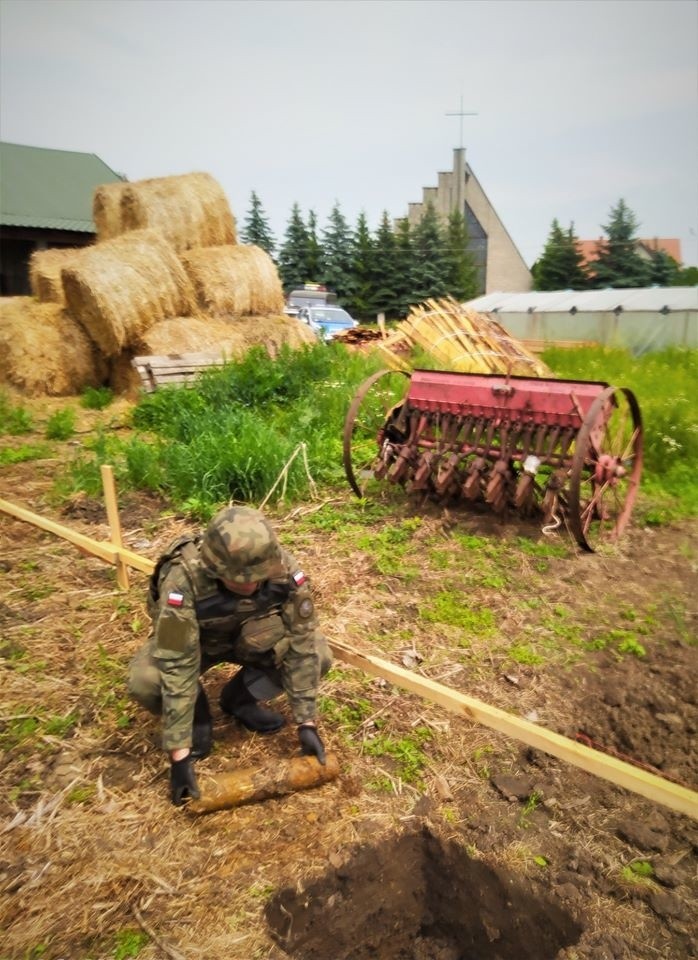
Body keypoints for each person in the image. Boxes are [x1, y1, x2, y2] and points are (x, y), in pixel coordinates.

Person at [127, 505, 332, 806]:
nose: (250, 586)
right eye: (237, 580)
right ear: (213, 567)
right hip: (195, 645)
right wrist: (179, 754)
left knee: (319, 654)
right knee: (146, 681)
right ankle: (198, 718)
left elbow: (301, 646)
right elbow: (176, 662)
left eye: (257, 577)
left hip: (252, 638)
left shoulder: (284, 569)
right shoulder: (182, 580)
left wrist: (307, 723)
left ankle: (239, 699)